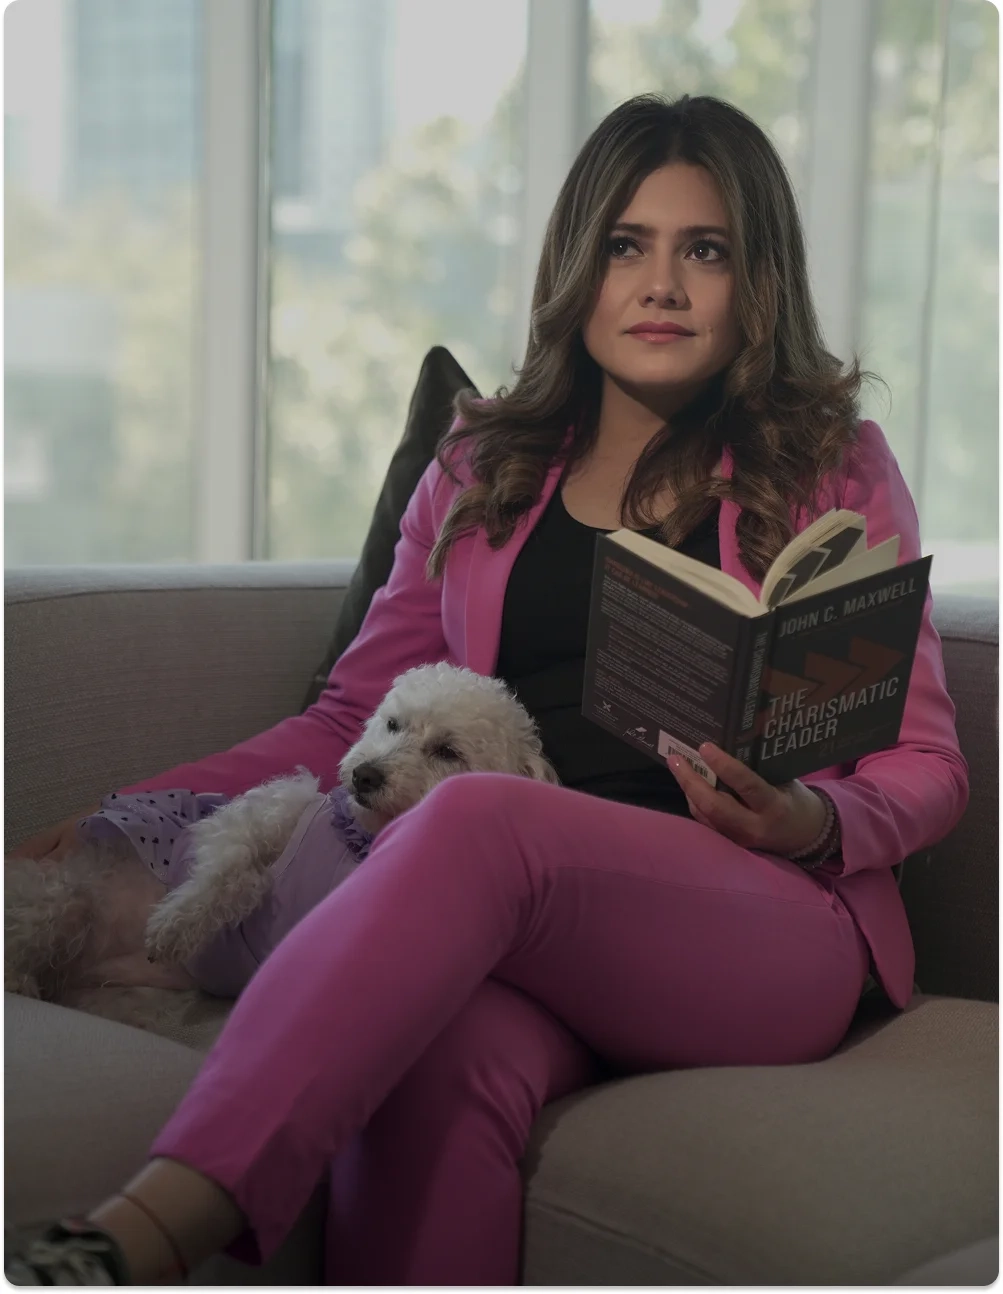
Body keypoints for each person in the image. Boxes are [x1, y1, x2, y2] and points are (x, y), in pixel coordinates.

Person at [6, 92, 967, 1286]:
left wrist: (808, 817)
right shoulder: (478, 465)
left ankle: (140, 1232)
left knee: (470, 814)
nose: (660, 285)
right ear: (578, 265)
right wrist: (133, 805)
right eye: (627, 245)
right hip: (521, 929)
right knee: (434, 1058)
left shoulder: (830, 468)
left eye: (703, 250)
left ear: (752, 278)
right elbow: (342, 723)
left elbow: (924, 766)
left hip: (761, 920)